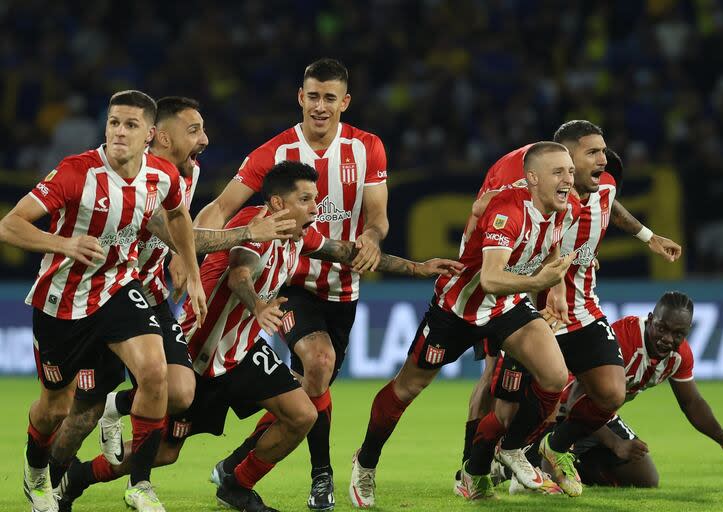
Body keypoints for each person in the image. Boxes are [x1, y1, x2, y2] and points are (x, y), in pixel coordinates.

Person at [58, 160, 460, 512]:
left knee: (301, 414)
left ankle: (237, 483)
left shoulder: (300, 235)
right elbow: (239, 274)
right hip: (201, 358)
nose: (315, 208)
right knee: (164, 452)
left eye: (315, 199)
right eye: (306, 199)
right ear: (279, 203)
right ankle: (78, 477)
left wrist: (417, 268)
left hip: (241, 355)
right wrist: (258, 307)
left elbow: (347, 252)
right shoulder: (253, 226)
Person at [46, 97, 296, 504]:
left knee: (179, 391)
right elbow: (176, 232)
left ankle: (136, 479)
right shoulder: (136, 173)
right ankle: (52, 482)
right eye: (193, 130)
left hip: (150, 297)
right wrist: (247, 234)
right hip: (103, 298)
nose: (205, 139)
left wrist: (187, 267)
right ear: (160, 136)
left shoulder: (188, 172)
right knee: (80, 415)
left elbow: (181, 231)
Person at [191, 57, 389, 511]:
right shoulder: (271, 154)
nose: (320, 106)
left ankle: (235, 468)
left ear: (345, 102)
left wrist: (372, 239)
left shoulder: (368, 148)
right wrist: (192, 255)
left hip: (342, 287)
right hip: (289, 283)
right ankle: (322, 476)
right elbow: (219, 209)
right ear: (301, 98)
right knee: (317, 364)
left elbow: (377, 218)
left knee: (310, 389)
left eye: (330, 98)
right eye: (313, 97)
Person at [0, 90, 207, 512]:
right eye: (114, 122)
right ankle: (36, 471)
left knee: (154, 371)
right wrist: (64, 244)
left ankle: (140, 484)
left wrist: (191, 268)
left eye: (130, 125)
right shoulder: (75, 173)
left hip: (117, 287)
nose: (119, 131)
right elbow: (9, 226)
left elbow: (179, 215)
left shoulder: (161, 175)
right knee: (54, 408)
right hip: (61, 300)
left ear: (149, 134)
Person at [457, 122, 683, 497]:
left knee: (611, 392)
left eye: (604, 152)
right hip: (526, 307)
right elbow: (495, 226)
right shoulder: (529, 195)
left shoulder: (602, 186)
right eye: (594, 153)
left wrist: (648, 236)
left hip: (580, 309)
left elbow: (613, 206)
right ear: (566, 160)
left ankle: (553, 448)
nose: (603, 160)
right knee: (499, 390)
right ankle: (473, 464)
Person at [348, 142, 580, 507]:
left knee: (555, 376)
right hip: (458, 310)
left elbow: (550, 246)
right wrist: (539, 282)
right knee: (406, 389)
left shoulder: (570, 205)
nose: (569, 180)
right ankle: (365, 463)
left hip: (506, 307)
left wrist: (556, 289)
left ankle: (513, 449)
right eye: (559, 173)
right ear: (532, 178)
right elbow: (490, 278)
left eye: (570, 171)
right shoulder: (507, 212)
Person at [530, 291, 723, 487]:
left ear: (687, 332)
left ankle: (576, 466)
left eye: (677, 334)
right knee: (548, 485)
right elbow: (575, 400)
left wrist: (721, 437)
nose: (667, 339)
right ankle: (528, 457)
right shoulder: (622, 340)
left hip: (599, 416)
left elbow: (691, 403)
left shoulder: (680, 355)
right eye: (662, 328)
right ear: (651, 319)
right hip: (561, 412)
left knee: (645, 478)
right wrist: (616, 444)